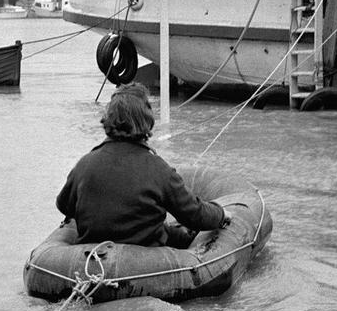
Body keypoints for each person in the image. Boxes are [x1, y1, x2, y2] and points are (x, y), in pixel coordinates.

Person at [56, 84, 227, 247]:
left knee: (174, 233)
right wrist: (221, 214)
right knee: (182, 235)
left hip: (92, 256)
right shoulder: (158, 169)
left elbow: (64, 205)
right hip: (147, 255)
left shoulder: (85, 164)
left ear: (108, 119)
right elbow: (194, 214)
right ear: (146, 119)